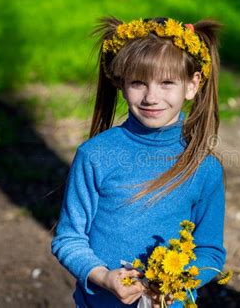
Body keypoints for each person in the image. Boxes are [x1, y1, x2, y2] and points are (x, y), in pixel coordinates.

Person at [51, 16, 226, 308]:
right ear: (121, 83)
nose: (151, 97)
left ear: (192, 85)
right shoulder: (95, 156)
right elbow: (68, 238)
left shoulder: (204, 167)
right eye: (138, 83)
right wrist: (103, 277)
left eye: (167, 83)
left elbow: (210, 252)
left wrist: (176, 283)